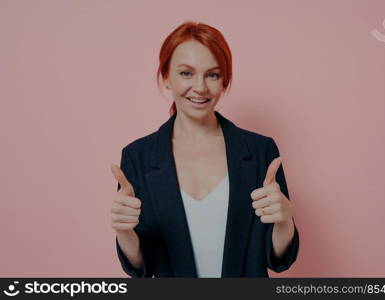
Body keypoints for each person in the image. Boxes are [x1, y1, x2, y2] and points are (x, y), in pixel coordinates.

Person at [110, 21, 299, 278]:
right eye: (186, 73)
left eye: (212, 74)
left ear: (224, 81)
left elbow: (276, 257)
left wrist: (285, 220)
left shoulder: (260, 151)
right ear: (166, 77)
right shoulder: (137, 157)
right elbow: (141, 266)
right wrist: (124, 231)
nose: (200, 87)